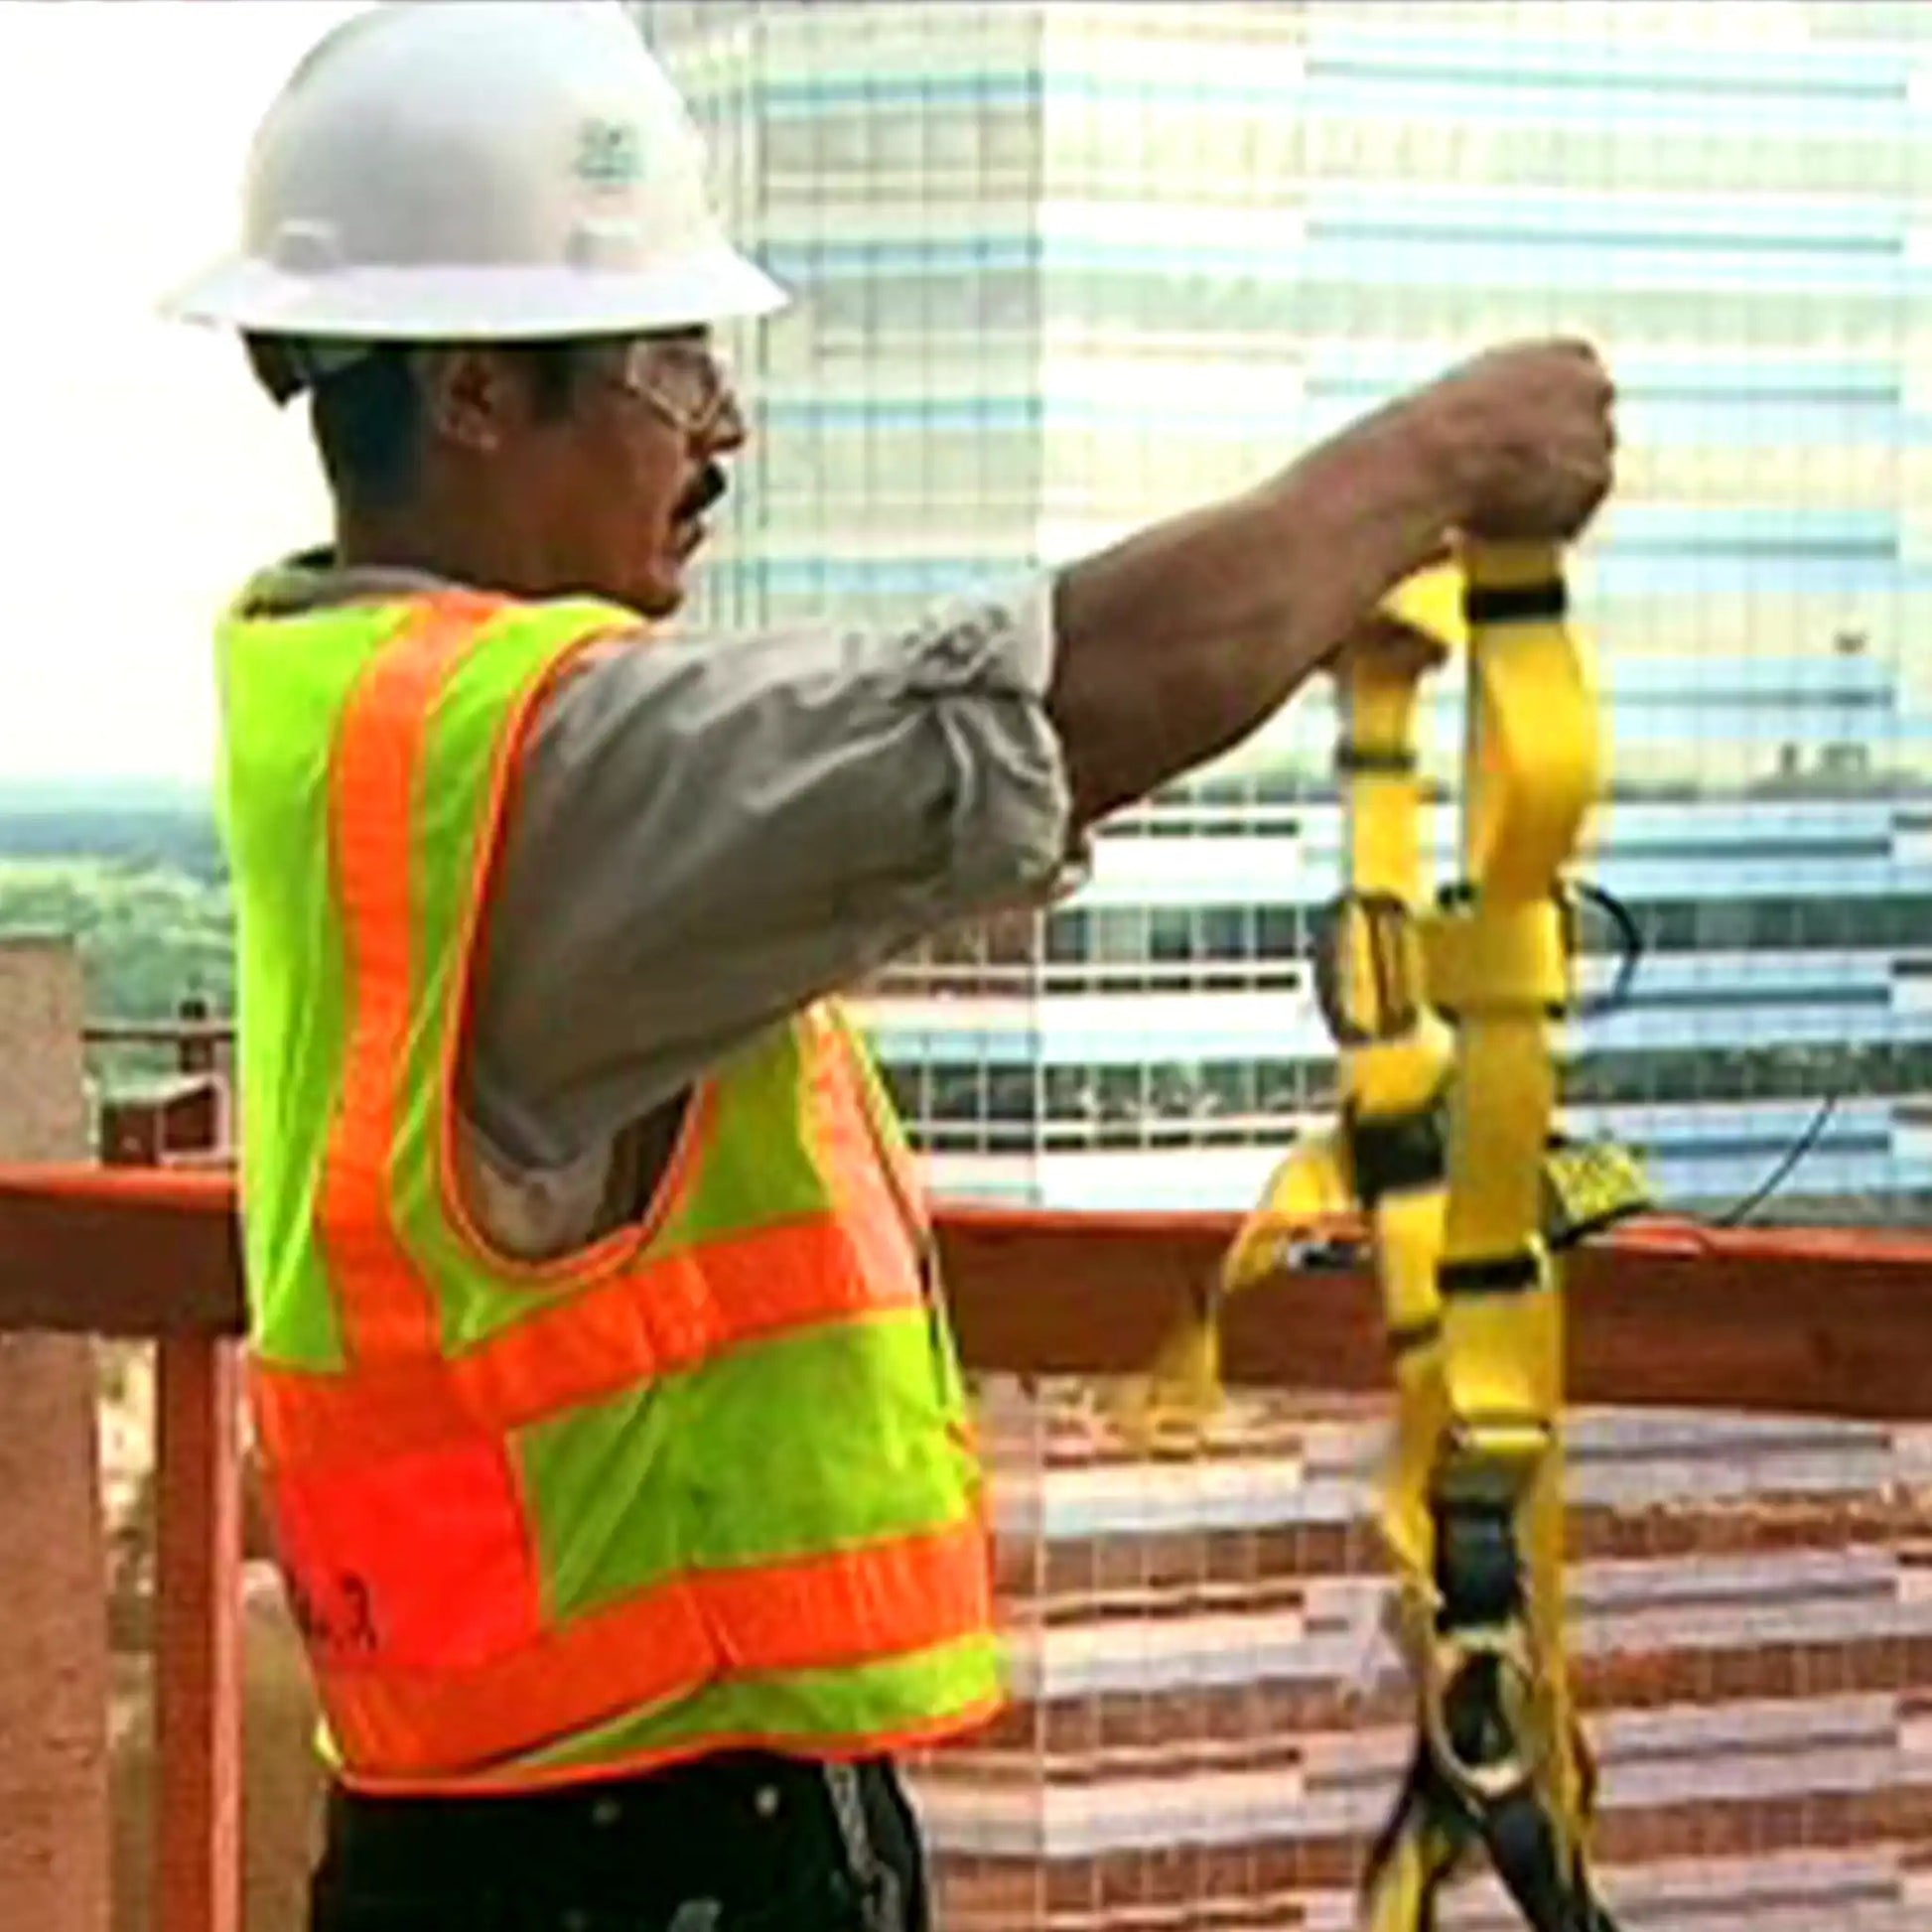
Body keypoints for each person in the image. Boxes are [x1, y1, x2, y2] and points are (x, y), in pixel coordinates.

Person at [163, 5, 1615, 1928]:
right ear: (471, 395)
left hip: (511, 1821)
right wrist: (1439, 455)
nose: (721, 425)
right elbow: (1055, 706)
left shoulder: (358, 717)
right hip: (639, 1852)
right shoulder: (551, 771)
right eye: (668, 364)